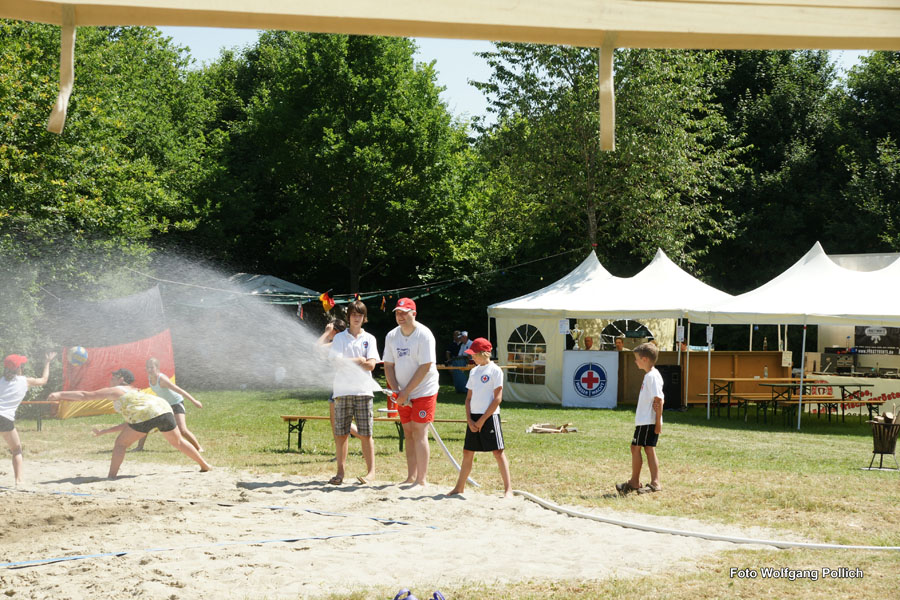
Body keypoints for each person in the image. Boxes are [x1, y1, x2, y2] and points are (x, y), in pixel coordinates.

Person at [48, 368, 211, 478]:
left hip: (147, 413)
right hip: (163, 408)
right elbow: (132, 424)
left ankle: (111, 477)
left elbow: (85, 395)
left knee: (120, 444)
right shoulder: (136, 392)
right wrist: (104, 432)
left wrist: (60, 394)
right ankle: (204, 465)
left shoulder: (116, 390)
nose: (110, 379)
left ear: (121, 379)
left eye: (113, 377)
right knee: (178, 442)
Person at [383, 297, 440, 488]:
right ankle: (410, 476)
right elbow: (388, 365)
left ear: (413, 314)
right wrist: (396, 391)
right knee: (408, 432)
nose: (400, 316)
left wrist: (406, 392)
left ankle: (421, 480)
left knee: (419, 431)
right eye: (397, 313)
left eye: (404, 313)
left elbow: (425, 366)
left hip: (424, 389)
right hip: (402, 392)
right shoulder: (392, 336)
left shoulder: (424, 334)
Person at [325, 300, 379, 485]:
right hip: (342, 391)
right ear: (348, 317)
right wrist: (359, 359)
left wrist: (351, 361)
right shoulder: (339, 338)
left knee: (366, 434)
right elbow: (337, 362)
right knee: (341, 434)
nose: (357, 318)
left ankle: (371, 473)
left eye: (360, 315)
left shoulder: (370, 338)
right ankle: (340, 473)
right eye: (354, 315)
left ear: (364, 318)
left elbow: (371, 364)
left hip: (364, 391)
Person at [448, 338, 511, 498]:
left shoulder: (495, 370)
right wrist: (470, 420)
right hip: (474, 416)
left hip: (490, 416)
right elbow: (468, 398)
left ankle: (508, 489)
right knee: (467, 452)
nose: (472, 357)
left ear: (483, 353)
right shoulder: (474, 371)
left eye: (474, 354)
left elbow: (497, 399)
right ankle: (459, 487)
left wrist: (482, 420)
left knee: (498, 452)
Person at [1, 352, 56, 486]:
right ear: (18, 368)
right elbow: (44, 380)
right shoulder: (25, 380)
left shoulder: (1, 381)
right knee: (16, 450)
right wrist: (47, 362)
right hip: (4, 418)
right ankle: (19, 481)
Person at [616, 342, 664, 495]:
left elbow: (659, 399)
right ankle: (649, 482)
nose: (635, 361)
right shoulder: (649, 375)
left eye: (636, 358)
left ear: (644, 359)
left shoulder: (652, 376)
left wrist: (657, 423)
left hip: (647, 422)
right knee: (647, 449)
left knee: (637, 448)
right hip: (645, 421)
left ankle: (636, 482)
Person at [134, 357, 204, 452]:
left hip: (176, 403)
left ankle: (198, 448)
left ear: (157, 368)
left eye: (152, 367)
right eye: (148, 367)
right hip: (164, 405)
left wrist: (194, 401)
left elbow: (179, 390)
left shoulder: (162, 380)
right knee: (146, 423)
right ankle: (139, 447)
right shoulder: (150, 377)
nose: (149, 370)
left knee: (182, 430)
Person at [317, 319, 361, 451]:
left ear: (335, 331)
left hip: (341, 385)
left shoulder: (338, 341)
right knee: (337, 423)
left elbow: (317, 348)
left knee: (340, 423)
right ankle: (340, 453)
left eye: (330, 329)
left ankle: (366, 439)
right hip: (338, 385)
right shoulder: (340, 342)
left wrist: (326, 332)